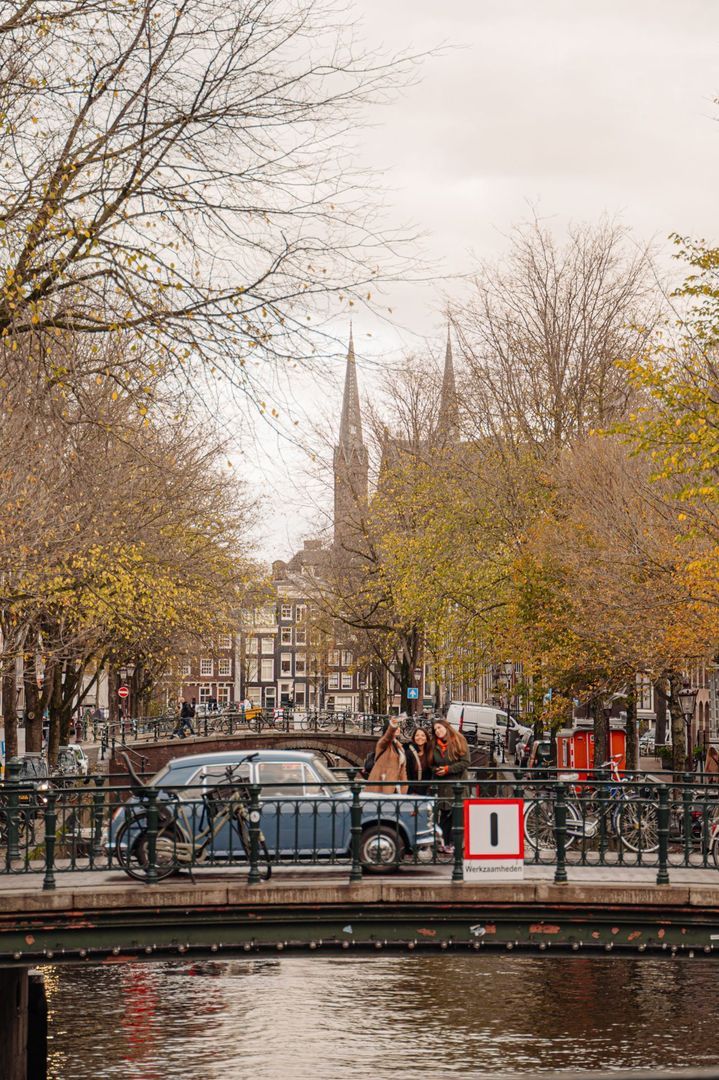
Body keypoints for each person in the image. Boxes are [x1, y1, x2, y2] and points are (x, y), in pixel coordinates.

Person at [431, 717, 470, 849]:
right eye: (435, 729)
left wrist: (448, 769)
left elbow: (465, 762)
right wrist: (436, 770)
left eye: (439, 728)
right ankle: (443, 843)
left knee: (457, 815)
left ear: (446, 727)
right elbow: (431, 763)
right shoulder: (434, 745)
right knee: (444, 815)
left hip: (458, 784)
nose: (437, 731)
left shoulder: (459, 740)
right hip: (443, 785)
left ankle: (456, 845)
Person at [365, 716, 408, 794]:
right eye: (396, 727)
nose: (398, 728)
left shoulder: (399, 746)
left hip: (396, 788)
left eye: (398, 727)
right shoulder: (382, 744)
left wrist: (404, 786)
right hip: (382, 786)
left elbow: (402, 768)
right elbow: (388, 737)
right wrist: (392, 726)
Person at [406, 726, 433, 794]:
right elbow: (407, 774)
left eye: (423, 735)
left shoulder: (430, 752)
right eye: (417, 735)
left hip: (427, 790)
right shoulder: (409, 753)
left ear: (426, 739)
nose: (420, 737)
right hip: (413, 791)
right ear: (414, 738)